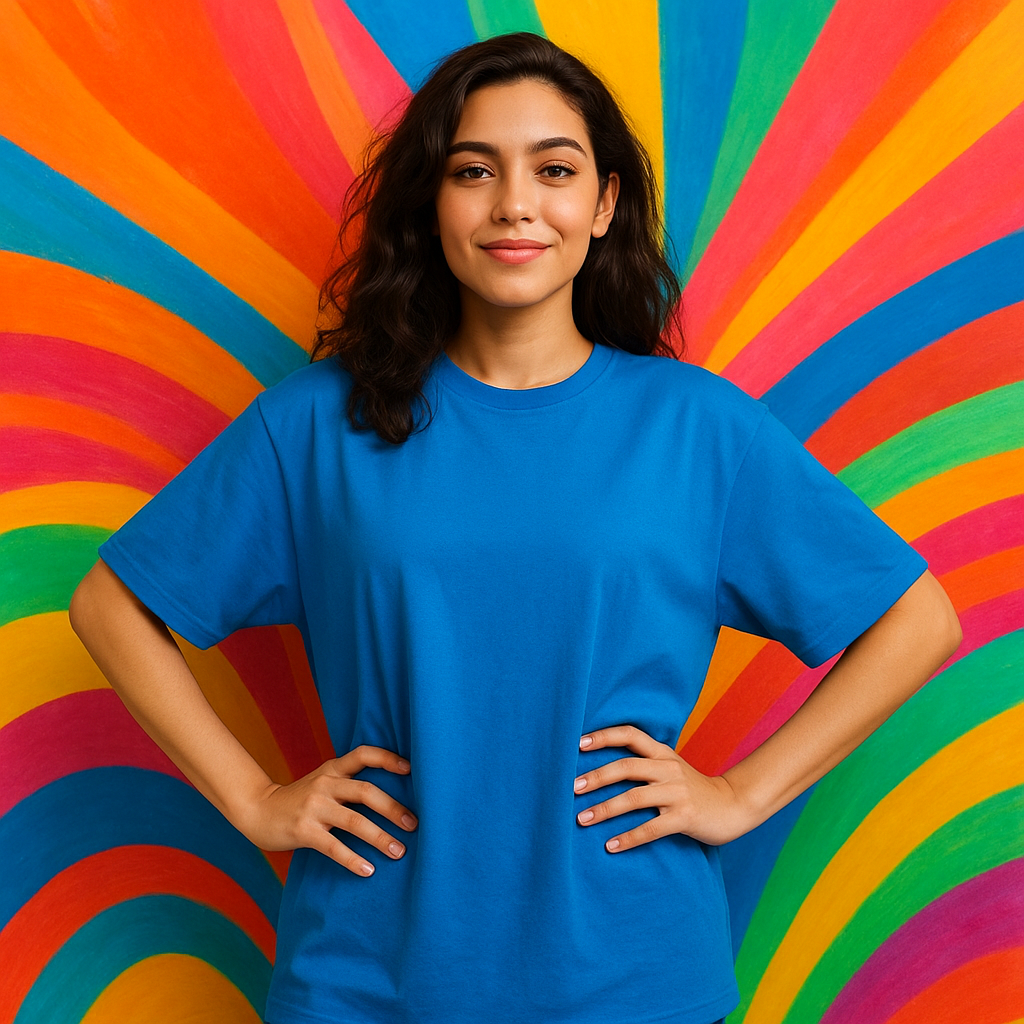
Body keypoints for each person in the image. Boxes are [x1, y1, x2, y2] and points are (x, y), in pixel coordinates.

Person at [69, 32, 961, 1024]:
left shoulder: (695, 428)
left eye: (554, 169)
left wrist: (743, 795)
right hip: (365, 980)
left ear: (604, 203)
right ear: (432, 204)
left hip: (634, 981)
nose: (514, 205)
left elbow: (915, 620)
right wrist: (252, 797)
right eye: (472, 170)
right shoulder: (318, 424)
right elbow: (112, 605)